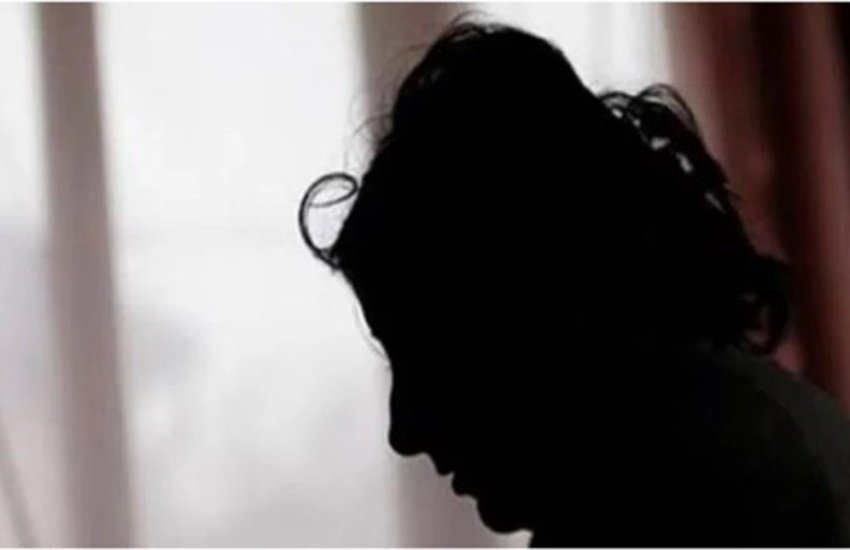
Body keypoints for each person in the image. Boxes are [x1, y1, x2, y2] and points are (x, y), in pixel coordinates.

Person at [299, 20, 850, 546]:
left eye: (432, 355)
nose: (404, 430)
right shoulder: (659, 478)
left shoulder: (712, 489)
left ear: (546, 307)